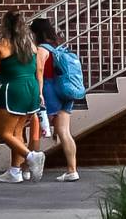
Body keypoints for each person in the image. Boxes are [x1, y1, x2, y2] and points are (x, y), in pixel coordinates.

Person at [0, 10, 45, 183]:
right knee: (17, 132)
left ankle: (31, 157)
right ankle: (15, 171)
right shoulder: (31, 45)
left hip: (13, 89)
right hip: (31, 87)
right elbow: (36, 69)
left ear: (5, 26)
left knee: (4, 133)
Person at [31, 17, 84, 181]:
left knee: (36, 130)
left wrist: (39, 94)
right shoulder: (57, 47)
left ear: (36, 33)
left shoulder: (41, 50)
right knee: (64, 132)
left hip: (50, 91)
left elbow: (39, 73)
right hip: (65, 90)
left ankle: (26, 167)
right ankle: (72, 170)